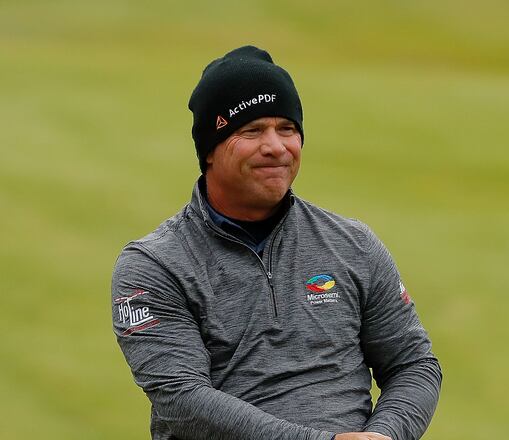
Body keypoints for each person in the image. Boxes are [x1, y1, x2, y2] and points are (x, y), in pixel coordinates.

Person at [111, 45, 442, 440]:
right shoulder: (154, 265)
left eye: (287, 129)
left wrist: (385, 434)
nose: (276, 146)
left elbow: (412, 364)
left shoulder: (353, 244)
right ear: (210, 151)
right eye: (252, 130)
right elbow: (182, 401)